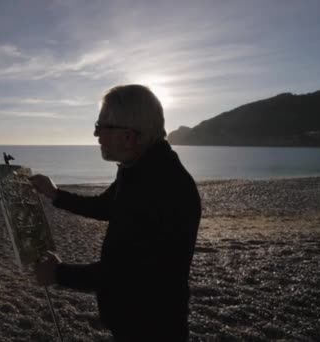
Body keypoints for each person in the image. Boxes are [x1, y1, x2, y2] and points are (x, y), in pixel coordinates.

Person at [30, 84, 201, 341]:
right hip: (136, 318)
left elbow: (123, 275)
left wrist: (57, 273)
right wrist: (55, 194)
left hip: (151, 325)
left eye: (101, 127)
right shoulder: (141, 167)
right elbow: (107, 206)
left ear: (128, 136)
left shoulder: (159, 185)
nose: (96, 135)